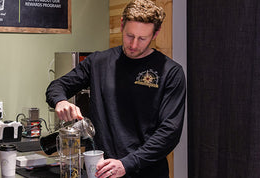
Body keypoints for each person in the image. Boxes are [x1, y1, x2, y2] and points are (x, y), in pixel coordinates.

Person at [46, 0, 185, 177]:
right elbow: (57, 86)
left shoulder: (170, 72)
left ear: (155, 34)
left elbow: (169, 133)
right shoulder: (98, 62)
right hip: (100, 170)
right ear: (121, 25)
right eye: (129, 35)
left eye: (142, 38)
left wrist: (127, 164)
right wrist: (60, 101)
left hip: (146, 172)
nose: (134, 45)